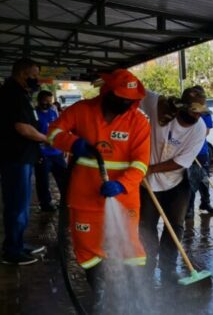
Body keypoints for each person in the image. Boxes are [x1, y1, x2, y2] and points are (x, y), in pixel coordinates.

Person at [47, 69, 150, 295]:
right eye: (121, 97)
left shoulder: (138, 122)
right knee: (86, 245)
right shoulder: (82, 110)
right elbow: (53, 132)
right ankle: (99, 289)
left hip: (123, 197)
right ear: (108, 92)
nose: (125, 103)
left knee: (129, 246)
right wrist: (72, 143)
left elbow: (141, 163)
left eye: (130, 100)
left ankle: (132, 292)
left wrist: (122, 184)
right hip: (84, 196)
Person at [139, 86, 207, 279]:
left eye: (199, 112)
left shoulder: (199, 128)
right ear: (181, 107)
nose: (196, 117)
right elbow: (138, 90)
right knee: (146, 226)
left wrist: (151, 168)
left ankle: (168, 268)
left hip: (176, 182)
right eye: (193, 111)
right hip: (148, 184)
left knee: (175, 226)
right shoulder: (159, 106)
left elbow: (180, 162)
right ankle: (147, 266)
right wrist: (113, 80)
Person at [0, 58, 47, 265]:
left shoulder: (21, 94)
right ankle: (12, 251)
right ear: (22, 74)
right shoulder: (13, 95)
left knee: (21, 204)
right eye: (34, 75)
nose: (37, 80)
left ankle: (17, 242)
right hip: (15, 158)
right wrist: (48, 139)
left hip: (22, 158)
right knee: (17, 205)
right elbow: (22, 128)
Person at [34, 90, 67, 212]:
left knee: (63, 179)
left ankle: (66, 201)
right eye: (45, 101)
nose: (47, 103)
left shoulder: (54, 112)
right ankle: (45, 204)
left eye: (50, 101)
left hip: (57, 152)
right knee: (43, 181)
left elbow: (60, 129)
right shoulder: (34, 114)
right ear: (39, 100)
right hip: (42, 153)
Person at [186, 86, 213, 219]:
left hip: (202, 151)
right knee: (191, 180)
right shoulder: (185, 111)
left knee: (204, 179)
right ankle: (189, 209)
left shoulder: (205, 113)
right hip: (187, 152)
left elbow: (207, 131)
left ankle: (205, 203)